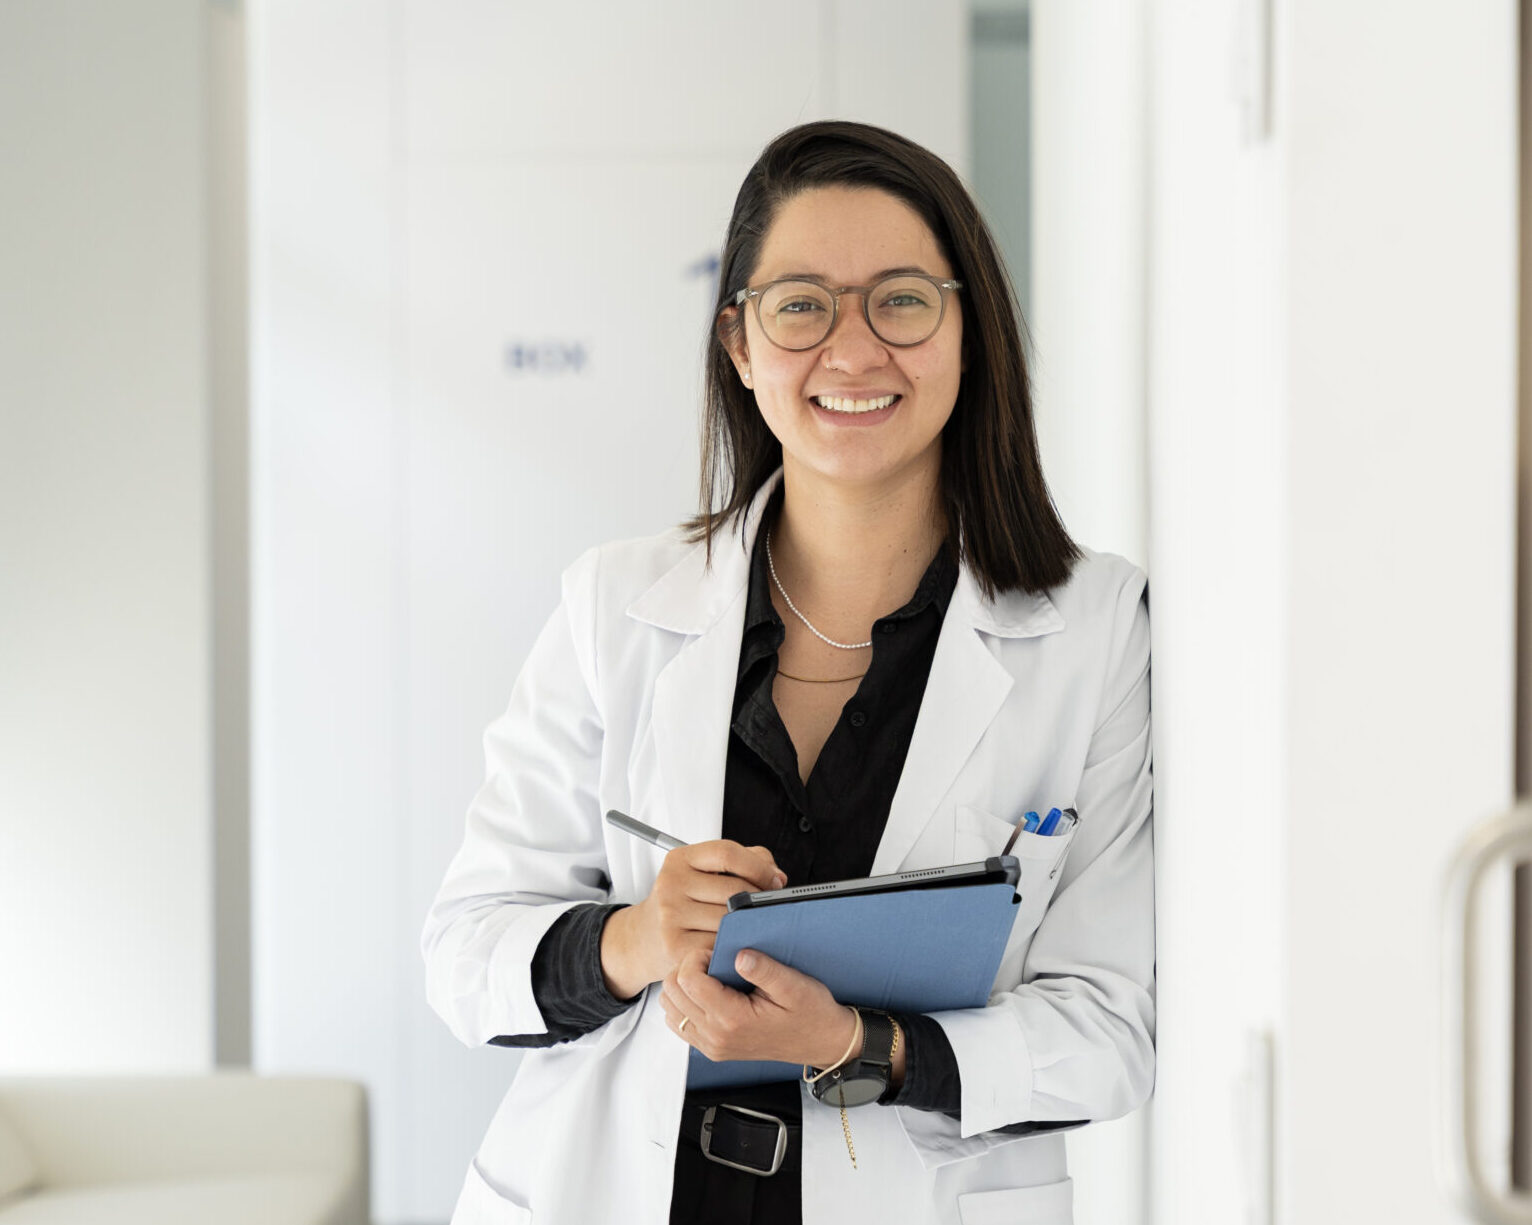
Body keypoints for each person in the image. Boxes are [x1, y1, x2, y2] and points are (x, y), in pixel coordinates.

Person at [421, 120, 1154, 1225]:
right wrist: (634, 937)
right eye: (800, 304)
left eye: (901, 300)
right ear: (739, 343)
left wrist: (859, 1047)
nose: (851, 353)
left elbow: (1108, 1031)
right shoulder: (612, 606)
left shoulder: (1092, 627)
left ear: (968, 331)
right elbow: (463, 955)